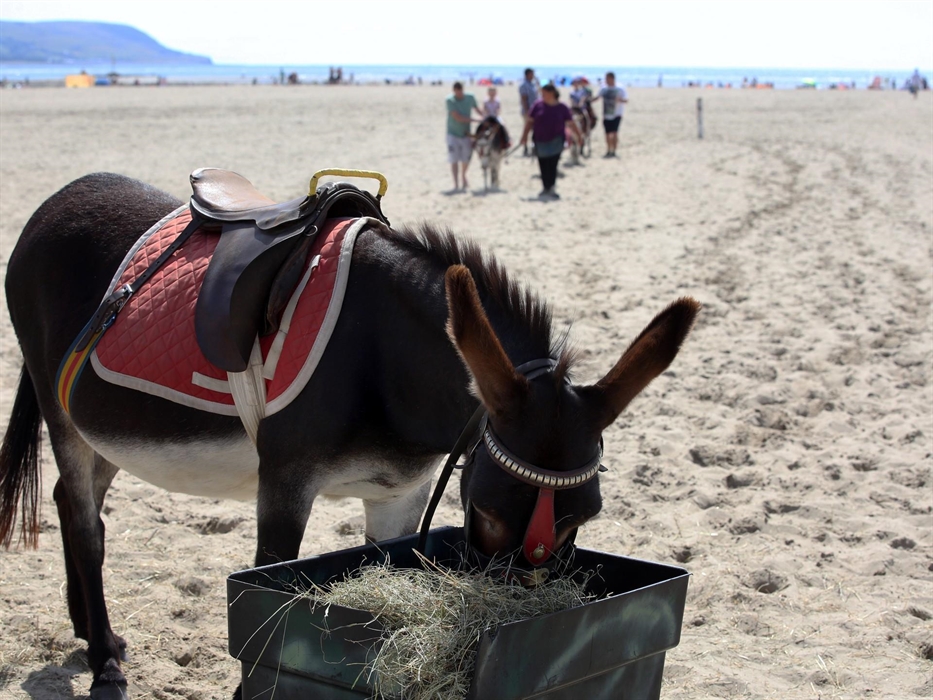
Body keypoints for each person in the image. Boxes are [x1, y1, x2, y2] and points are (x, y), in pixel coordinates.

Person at [519, 84, 583, 200]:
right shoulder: (537, 105)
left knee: (553, 164)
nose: (542, 96)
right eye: (542, 94)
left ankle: (552, 187)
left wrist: (579, 136)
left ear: (552, 93)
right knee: (543, 164)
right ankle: (545, 187)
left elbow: (571, 123)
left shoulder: (562, 107)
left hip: (556, 140)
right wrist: (524, 136)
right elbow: (529, 122)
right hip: (540, 140)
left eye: (544, 93)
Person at [446, 81, 484, 191]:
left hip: (466, 133)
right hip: (453, 133)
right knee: (454, 159)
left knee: (466, 158)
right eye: (457, 92)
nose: (459, 94)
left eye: (460, 91)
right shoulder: (450, 100)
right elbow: (457, 117)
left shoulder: (470, 97)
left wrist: (485, 117)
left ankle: (463, 175)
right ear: (454, 91)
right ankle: (456, 183)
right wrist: (475, 120)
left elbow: (477, 109)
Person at [591, 71, 628, 157]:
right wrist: (589, 100)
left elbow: (626, 100)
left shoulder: (620, 88)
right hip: (606, 114)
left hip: (616, 114)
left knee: (614, 133)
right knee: (607, 133)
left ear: (612, 78)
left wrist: (620, 100)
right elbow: (598, 97)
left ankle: (614, 150)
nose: (606, 80)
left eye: (607, 78)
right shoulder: (603, 88)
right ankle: (608, 150)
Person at [519, 68, 539, 155]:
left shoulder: (533, 84)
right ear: (527, 75)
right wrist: (528, 112)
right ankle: (525, 148)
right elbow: (524, 99)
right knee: (527, 129)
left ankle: (534, 147)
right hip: (528, 111)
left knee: (535, 130)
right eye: (532, 74)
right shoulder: (524, 85)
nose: (533, 76)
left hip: (535, 111)